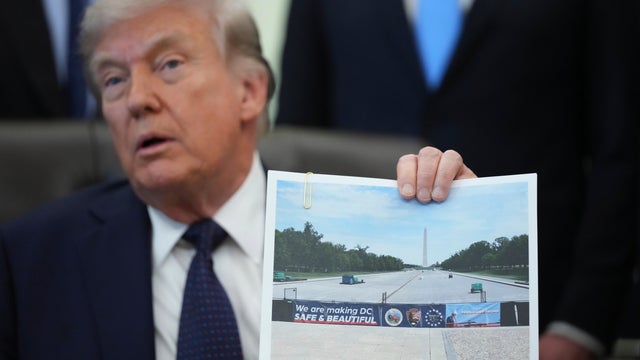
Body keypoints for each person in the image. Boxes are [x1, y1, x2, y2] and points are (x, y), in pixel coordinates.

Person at [0, 1, 476, 359]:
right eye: (112, 80)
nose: (136, 100)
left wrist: (469, 222)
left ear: (249, 91)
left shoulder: (365, 232)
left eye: (169, 65)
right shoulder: (29, 261)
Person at [276, 0, 639, 358]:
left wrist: (579, 328)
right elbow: (298, 142)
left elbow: (621, 147)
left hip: (545, 307)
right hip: (348, 337)